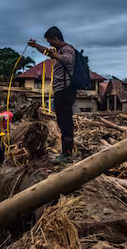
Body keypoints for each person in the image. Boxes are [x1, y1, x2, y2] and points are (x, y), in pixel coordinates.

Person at [28, 26, 76, 163]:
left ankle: (67, 155)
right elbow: (47, 52)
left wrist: (54, 54)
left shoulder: (67, 50)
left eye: (50, 41)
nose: (49, 45)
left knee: (66, 124)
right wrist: (36, 45)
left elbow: (67, 60)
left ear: (56, 39)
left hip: (65, 91)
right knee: (63, 123)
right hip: (61, 91)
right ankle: (66, 153)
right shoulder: (59, 51)